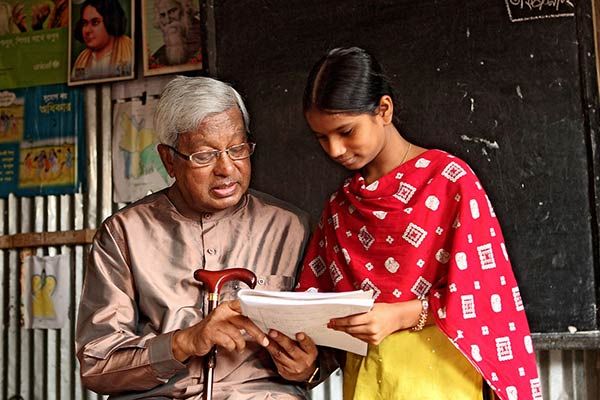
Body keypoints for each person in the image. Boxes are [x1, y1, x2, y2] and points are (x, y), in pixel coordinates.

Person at [296, 47, 541, 400]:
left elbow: (485, 295)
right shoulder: (340, 206)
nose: (334, 149)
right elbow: (315, 304)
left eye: (346, 131)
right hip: (366, 378)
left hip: (440, 375)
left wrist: (402, 315)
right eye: (322, 137)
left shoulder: (450, 182)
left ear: (383, 110)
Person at [76, 76, 336, 399]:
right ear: (169, 160)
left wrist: (308, 367)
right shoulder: (123, 235)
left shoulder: (292, 228)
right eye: (204, 155)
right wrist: (184, 342)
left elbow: (326, 349)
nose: (227, 168)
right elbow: (96, 364)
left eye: (237, 149)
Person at [71, 0, 133, 81]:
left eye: (95, 22)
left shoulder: (131, 49)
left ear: (110, 21)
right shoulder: (82, 59)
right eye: (85, 23)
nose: (87, 30)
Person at [150, 0, 202, 67]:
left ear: (185, 9)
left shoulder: (206, 40)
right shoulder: (158, 57)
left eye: (172, 11)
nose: (168, 20)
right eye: (162, 15)